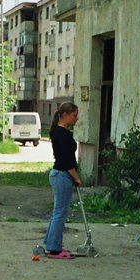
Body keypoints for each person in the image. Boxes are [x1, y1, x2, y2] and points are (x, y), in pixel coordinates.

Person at [43, 101, 82, 259]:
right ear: (65, 115)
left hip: (58, 174)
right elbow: (67, 160)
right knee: (60, 212)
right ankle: (54, 248)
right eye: (74, 115)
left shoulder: (57, 132)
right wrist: (77, 178)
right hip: (62, 175)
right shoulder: (63, 134)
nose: (76, 118)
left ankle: (52, 243)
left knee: (57, 212)